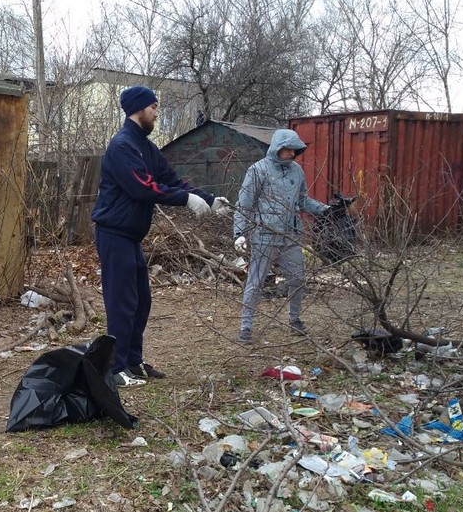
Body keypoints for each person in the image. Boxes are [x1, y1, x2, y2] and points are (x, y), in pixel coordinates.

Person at [92, 85, 227, 387]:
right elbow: (143, 187)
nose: (157, 112)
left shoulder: (145, 147)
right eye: (153, 107)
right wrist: (183, 200)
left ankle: (133, 362)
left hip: (130, 237)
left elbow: (170, 179)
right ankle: (115, 369)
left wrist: (207, 198)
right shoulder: (123, 146)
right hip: (114, 234)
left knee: (140, 301)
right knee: (121, 303)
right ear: (139, 109)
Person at [232, 129, 329, 344]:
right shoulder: (257, 171)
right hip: (263, 235)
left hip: (290, 236)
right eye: (288, 149)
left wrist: (326, 210)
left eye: (295, 150)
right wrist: (239, 233)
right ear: (277, 147)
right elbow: (244, 204)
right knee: (255, 282)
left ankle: (294, 319)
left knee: (297, 279)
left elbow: (302, 201)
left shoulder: (296, 171)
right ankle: (246, 328)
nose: (292, 154)